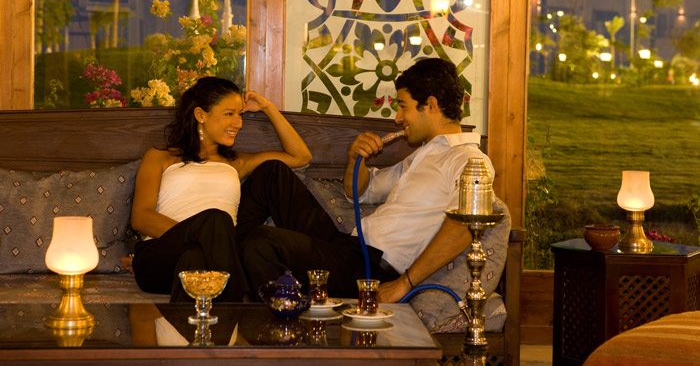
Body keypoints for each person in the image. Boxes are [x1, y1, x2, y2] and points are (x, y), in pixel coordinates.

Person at [240, 57, 494, 303]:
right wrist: (355, 158)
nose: (397, 118)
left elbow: (464, 227)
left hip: (370, 270)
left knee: (261, 243)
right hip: (349, 248)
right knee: (272, 173)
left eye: (403, 106)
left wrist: (404, 284)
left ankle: (265, 314)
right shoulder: (424, 155)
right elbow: (360, 192)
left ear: (430, 105)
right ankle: (229, 266)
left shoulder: (469, 161)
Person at [130, 77, 312, 302]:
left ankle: (217, 316)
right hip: (160, 256)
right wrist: (201, 234)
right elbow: (141, 218)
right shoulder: (160, 156)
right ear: (200, 115)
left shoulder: (236, 162)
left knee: (196, 254)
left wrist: (268, 107)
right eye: (229, 114)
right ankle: (240, 306)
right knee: (215, 220)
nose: (238, 123)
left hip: (207, 259)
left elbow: (300, 156)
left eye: (240, 115)